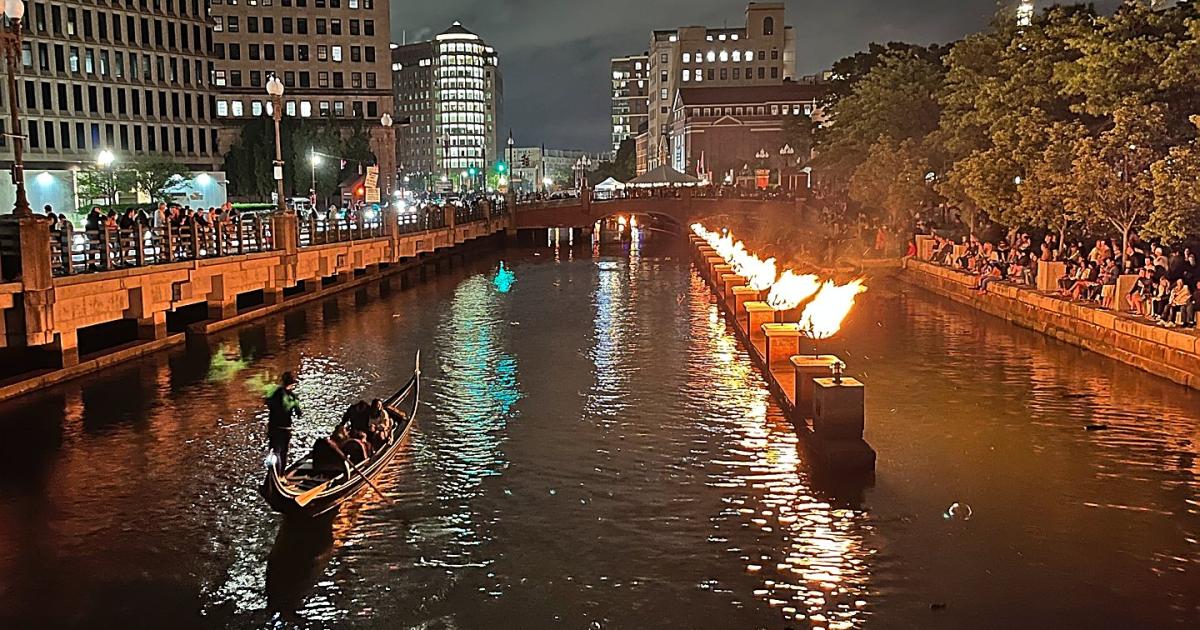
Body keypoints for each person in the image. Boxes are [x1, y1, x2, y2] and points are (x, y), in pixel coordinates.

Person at [266, 372, 302, 470]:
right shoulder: (293, 397)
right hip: (286, 428)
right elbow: (299, 413)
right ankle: (281, 476)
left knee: (274, 451)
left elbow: (267, 401)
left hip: (273, 427)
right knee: (283, 452)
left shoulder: (274, 392)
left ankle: (273, 474)